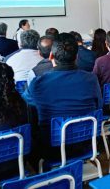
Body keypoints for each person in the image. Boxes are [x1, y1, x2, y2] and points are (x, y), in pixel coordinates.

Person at [23, 33, 102, 162]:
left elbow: (26, 109)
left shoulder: (38, 83)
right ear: (76, 57)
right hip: (87, 144)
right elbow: (99, 106)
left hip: (51, 150)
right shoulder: (91, 79)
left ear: (51, 56)